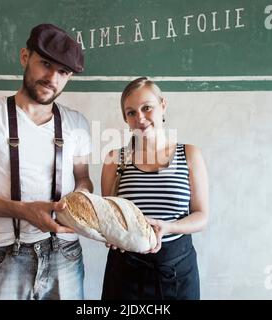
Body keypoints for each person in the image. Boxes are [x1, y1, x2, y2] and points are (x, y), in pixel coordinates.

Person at [0, 23, 93, 300]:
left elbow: (83, 179)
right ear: (25, 57)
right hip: (3, 255)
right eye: (45, 64)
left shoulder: (78, 123)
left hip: (66, 254)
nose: (52, 77)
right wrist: (24, 210)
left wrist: (80, 200)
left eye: (63, 72)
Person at [100, 77, 209, 300]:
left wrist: (167, 227)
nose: (140, 117)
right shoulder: (115, 159)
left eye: (147, 107)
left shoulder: (189, 154)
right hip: (125, 273)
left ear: (163, 105)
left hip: (177, 271)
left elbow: (202, 216)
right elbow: (108, 219)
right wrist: (109, 233)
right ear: (126, 119)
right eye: (131, 112)